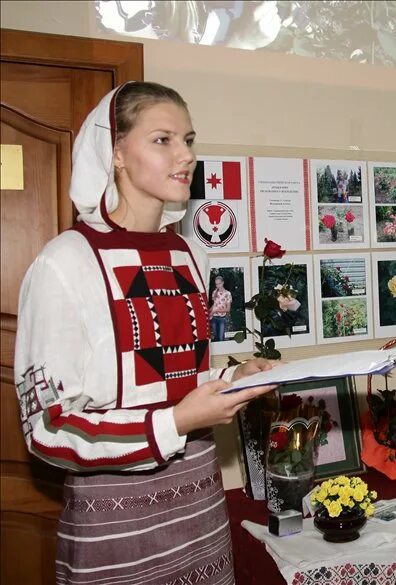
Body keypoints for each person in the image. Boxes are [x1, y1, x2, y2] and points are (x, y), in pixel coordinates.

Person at [13, 81, 276, 584]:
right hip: (116, 527)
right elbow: (45, 428)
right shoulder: (65, 262)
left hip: (201, 511)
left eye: (190, 140)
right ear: (114, 151)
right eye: (163, 140)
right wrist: (174, 422)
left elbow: (171, 376)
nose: (186, 155)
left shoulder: (191, 255)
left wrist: (232, 376)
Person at [210, 274, 232, 341]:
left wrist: (215, 310)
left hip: (222, 318)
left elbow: (228, 309)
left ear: (223, 282)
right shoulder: (214, 292)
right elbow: (214, 305)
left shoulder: (227, 294)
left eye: (219, 283)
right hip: (213, 317)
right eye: (216, 284)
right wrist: (208, 311)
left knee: (221, 337)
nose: (218, 286)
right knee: (215, 337)